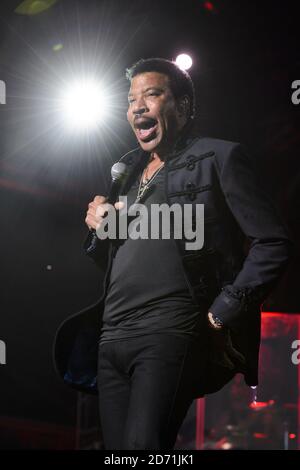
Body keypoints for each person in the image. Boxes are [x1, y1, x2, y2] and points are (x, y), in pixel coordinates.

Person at [54, 58, 293, 450]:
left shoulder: (219, 158)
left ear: (182, 106)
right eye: (131, 99)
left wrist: (222, 312)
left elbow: (274, 243)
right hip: (112, 337)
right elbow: (127, 257)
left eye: (152, 95)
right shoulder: (127, 172)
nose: (137, 107)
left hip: (169, 331)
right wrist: (99, 227)